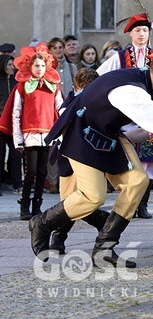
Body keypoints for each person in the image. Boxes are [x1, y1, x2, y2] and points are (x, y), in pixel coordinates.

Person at [28, 48, 153, 268]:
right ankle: (41, 223)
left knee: (138, 182)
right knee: (93, 196)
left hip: (108, 133)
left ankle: (103, 249)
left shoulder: (146, 81)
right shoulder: (131, 91)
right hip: (82, 132)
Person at [98, 13, 153, 219]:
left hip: (148, 111)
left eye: (145, 31)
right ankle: (129, 202)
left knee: (148, 160)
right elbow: (100, 75)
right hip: (125, 113)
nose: (142, 34)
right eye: (138, 31)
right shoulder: (120, 57)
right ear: (130, 33)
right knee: (128, 158)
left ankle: (143, 204)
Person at [48, 67, 110, 254]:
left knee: (84, 198)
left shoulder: (100, 104)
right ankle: (103, 222)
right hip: (68, 158)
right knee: (68, 200)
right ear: (77, 88)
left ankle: (59, 237)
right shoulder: (69, 105)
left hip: (89, 158)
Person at [0, 43, 63, 219]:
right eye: (36, 65)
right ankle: (25, 206)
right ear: (30, 66)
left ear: (47, 66)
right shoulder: (22, 86)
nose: (40, 69)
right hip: (30, 135)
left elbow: (60, 109)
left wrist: (61, 134)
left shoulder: (53, 86)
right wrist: (18, 139)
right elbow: (16, 113)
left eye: (43, 65)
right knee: (31, 172)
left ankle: (37, 206)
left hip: (48, 135)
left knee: (43, 172)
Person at [0, 55, 21, 194]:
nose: (11, 67)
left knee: (16, 155)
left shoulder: (17, 81)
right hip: (0, 123)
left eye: (13, 64)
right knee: (0, 154)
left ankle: (17, 184)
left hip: (14, 124)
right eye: (8, 64)